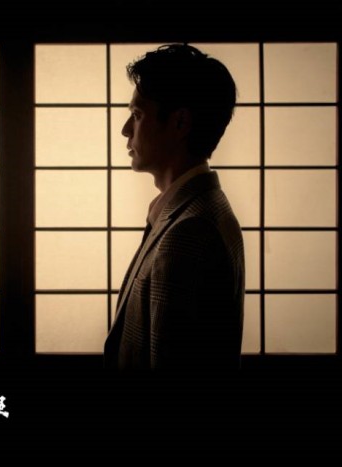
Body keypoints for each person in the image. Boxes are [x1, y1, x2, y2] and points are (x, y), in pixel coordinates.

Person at [104, 44, 244, 374]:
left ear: (180, 122)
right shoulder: (201, 208)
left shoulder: (189, 232)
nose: (125, 129)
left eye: (138, 115)